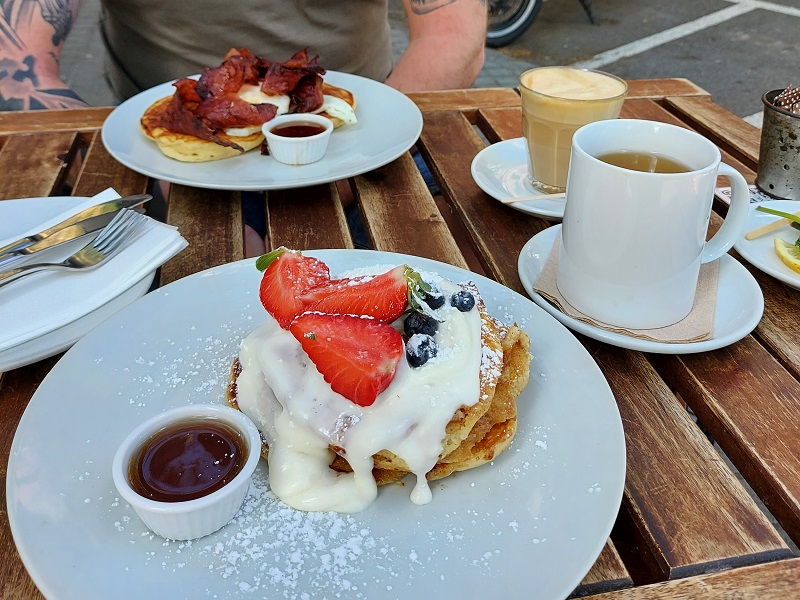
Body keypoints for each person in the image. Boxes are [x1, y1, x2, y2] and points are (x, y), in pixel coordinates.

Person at [0, 0, 487, 253]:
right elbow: (16, 59)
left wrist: (356, 158)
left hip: (356, 147)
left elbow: (454, 34)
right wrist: (129, 161)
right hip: (155, 171)